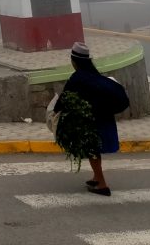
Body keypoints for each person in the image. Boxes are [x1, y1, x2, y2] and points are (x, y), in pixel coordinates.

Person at [54, 41, 128, 196]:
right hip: (105, 119)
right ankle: (96, 177)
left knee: (93, 150)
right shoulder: (95, 75)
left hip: (93, 122)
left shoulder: (77, 78)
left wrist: (56, 112)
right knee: (94, 151)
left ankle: (102, 184)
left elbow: (63, 100)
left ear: (74, 61)